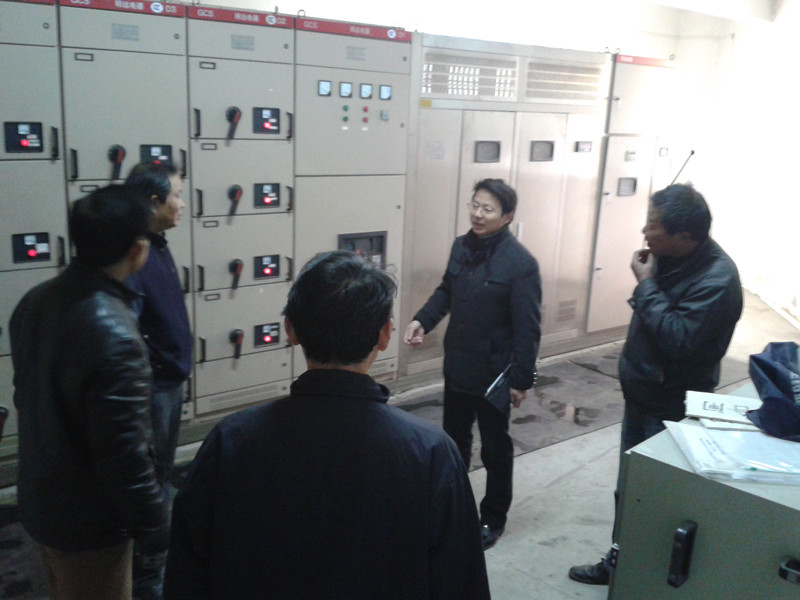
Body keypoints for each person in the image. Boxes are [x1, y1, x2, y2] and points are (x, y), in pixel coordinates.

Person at [164, 251, 491, 600]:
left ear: (290, 329)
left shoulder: (230, 440)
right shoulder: (431, 453)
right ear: (385, 335)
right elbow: (462, 583)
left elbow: (186, 575)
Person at [568, 183, 743, 585]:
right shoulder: (671, 256)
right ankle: (620, 563)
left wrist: (646, 284)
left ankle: (646, 579)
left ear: (684, 235)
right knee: (630, 487)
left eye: (653, 225)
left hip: (671, 406)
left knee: (659, 497)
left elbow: (679, 338)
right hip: (642, 394)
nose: (644, 232)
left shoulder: (717, 279)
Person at [10, 185, 168, 600]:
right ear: (137, 251)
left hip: (43, 500)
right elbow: (124, 454)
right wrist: (155, 528)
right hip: (90, 524)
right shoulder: (115, 334)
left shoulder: (34, 301)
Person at [404, 178, 542, 550]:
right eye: (475, 206)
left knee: (495, 449)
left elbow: (528, 328)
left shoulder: (521, 264)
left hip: (495, 374)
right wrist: (422, 320)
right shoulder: (461, 246)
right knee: (453, 442)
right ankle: (450, 506)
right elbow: (446, 291)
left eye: (488, 209)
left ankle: (492, 518)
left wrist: (522, 380)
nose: (478, 215)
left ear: (507, 216)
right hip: (459, 365)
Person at [124, 163, 192, 600]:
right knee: (150, 481)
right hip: (154, 392)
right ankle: (147, 575)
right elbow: (129, 334)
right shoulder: (135, 255)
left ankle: (154, 562)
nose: (182, 204)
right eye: (176, 196)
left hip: (169, 384)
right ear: (153, 202)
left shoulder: (158, 247)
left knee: (162, 475)